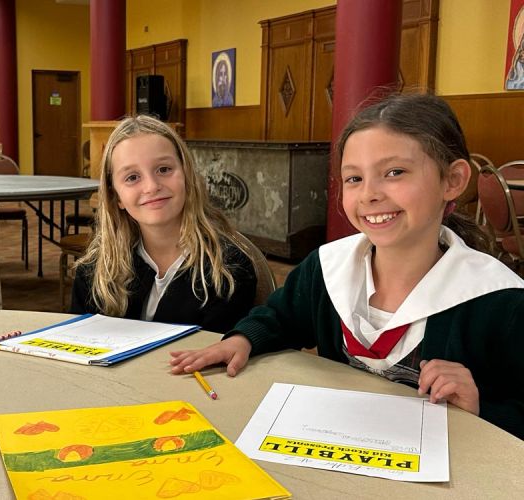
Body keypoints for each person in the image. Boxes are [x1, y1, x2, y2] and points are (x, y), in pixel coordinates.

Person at [170, 93, 524, 439]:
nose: (369, 193)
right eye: (354, 178)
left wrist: (481, 407)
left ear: (453, 180)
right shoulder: (328, 268)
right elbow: (280, 318)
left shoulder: (499, 300)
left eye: (395, 172)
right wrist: (244, 338)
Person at [70, 115, 257, 333]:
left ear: (187, 176)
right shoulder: (95, 270)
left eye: (164, 170)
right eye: (132, 177)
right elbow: (75, 343)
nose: (151, 186)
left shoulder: (227, 270)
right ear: (116, 198)